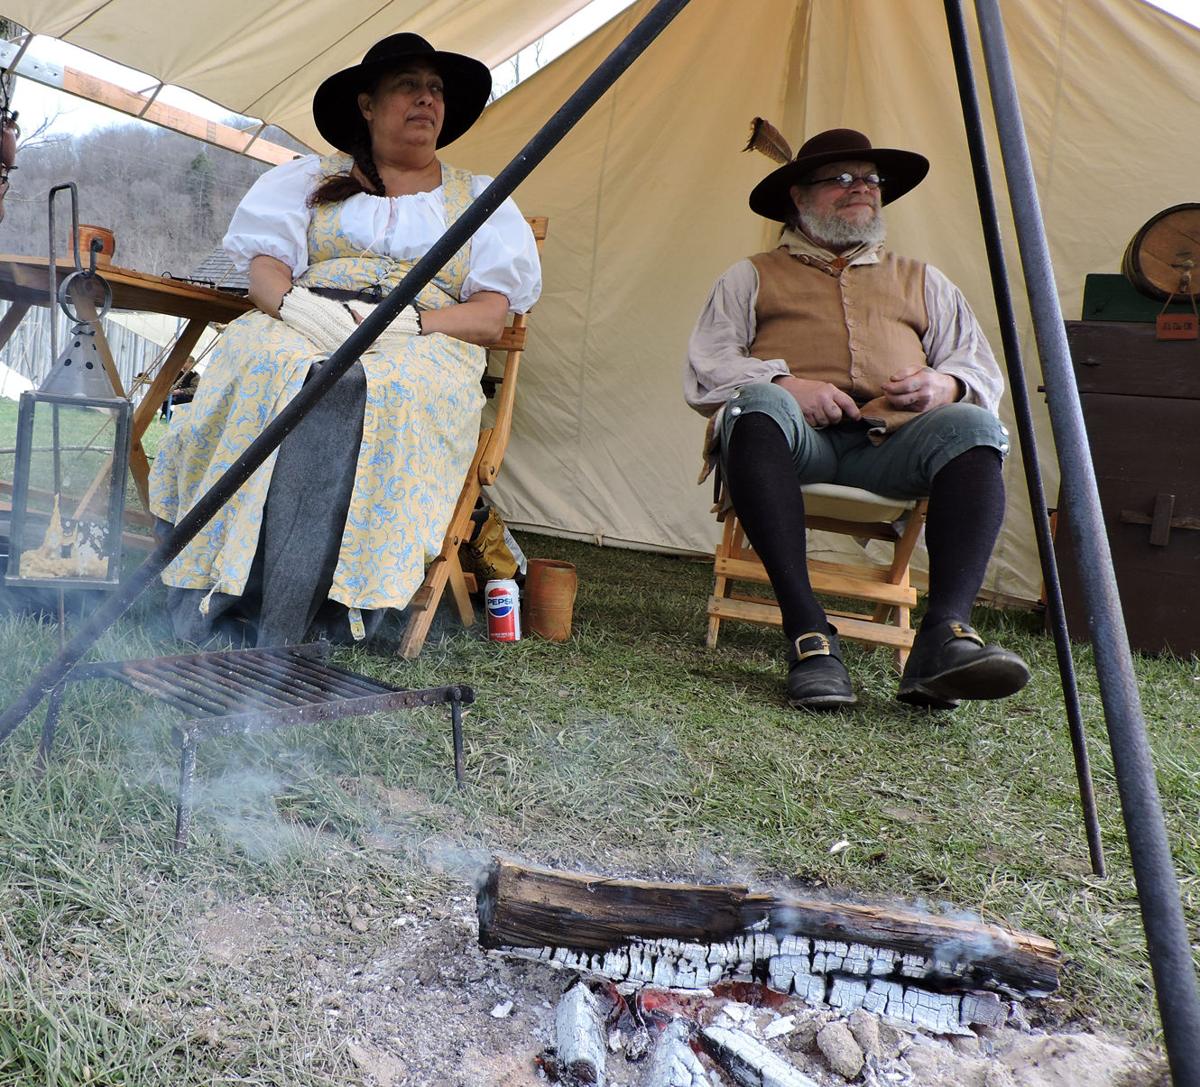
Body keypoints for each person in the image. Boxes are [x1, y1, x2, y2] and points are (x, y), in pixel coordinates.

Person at [150, 34, 541, 647]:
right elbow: (264, 268)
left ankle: (309, 612)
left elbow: (491, 315)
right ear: (367, 104)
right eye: (408, 86)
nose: (426, 99)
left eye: (435, 89)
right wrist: (299, 308)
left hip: (423, 337)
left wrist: (411, 324)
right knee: (268, 365)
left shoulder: (482, 198)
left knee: (362, 385)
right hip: (306, 318)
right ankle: (225, 587)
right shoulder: (310, 178)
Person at [683, 127, 1029, 711]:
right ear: (799, 196)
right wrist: (788, 384)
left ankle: (941, 639)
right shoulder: (751, 274)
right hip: (798, 445)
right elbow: (708, 365)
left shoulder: (924, 279)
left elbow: (979, 370)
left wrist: (944, 383)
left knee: (975, 428)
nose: (860, 189)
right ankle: (808, 633)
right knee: (754, 404)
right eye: (841, 179)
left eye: (869, 179)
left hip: (893, 448)